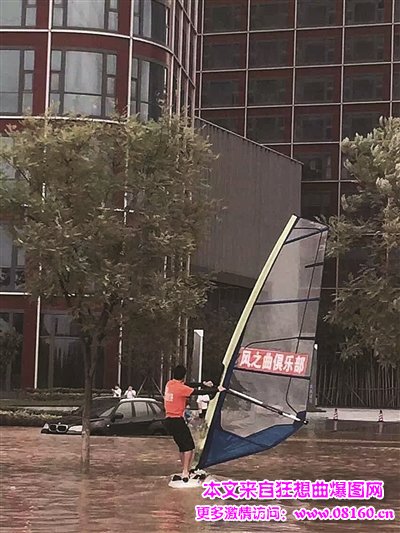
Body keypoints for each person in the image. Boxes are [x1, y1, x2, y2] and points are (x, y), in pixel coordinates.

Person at [164, 364, 225, 482]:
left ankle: (185, 470)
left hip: (168, 421)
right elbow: (198, 392)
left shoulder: (170, 384)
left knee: (182, 447)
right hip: (177, 420)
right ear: (184, 377)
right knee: (189, 447)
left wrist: (202, 384)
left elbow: (189, 385)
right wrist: (217, 389)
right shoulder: (181, 389)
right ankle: (186, 472)